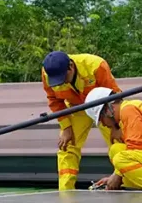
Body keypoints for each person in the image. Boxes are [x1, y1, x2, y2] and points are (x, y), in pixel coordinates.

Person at [41, 51, 122, 190]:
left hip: (103, 109)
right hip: (76, 108)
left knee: (119, 141)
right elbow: (54, 101)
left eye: (64, 77)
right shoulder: (48, 73)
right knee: (67, 146)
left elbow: (114, 98)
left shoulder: (96, 66)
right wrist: (66, 128)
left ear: (71, 66)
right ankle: (65, 191)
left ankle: (122, 179)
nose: (63, 82)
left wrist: (115, 126)